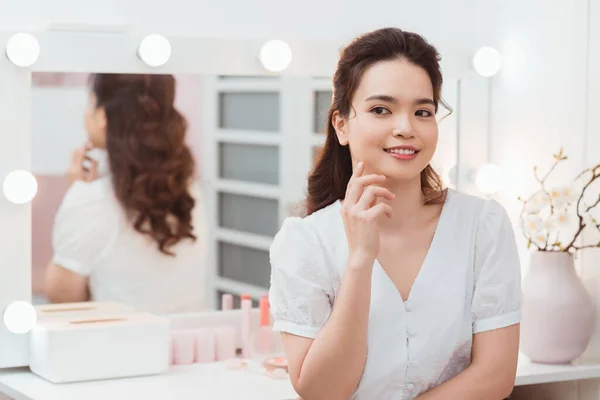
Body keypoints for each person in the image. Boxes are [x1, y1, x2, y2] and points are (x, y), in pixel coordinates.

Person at [268, 28, 521, 400]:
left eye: (423, 111)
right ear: (341, 125)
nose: (405, 128)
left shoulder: (483, 226)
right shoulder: (304, 243)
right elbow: (322, 391)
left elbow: (495, 376)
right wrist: (359, 260)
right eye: (380, 110)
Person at [44, 73, 207, 314]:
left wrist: (76, 194)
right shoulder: (188, 189)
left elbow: (63, 299)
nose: (85, 114)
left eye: (90, 103)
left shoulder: (91, 202)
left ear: (102, 117)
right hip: (186, 345)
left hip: (120, 346)